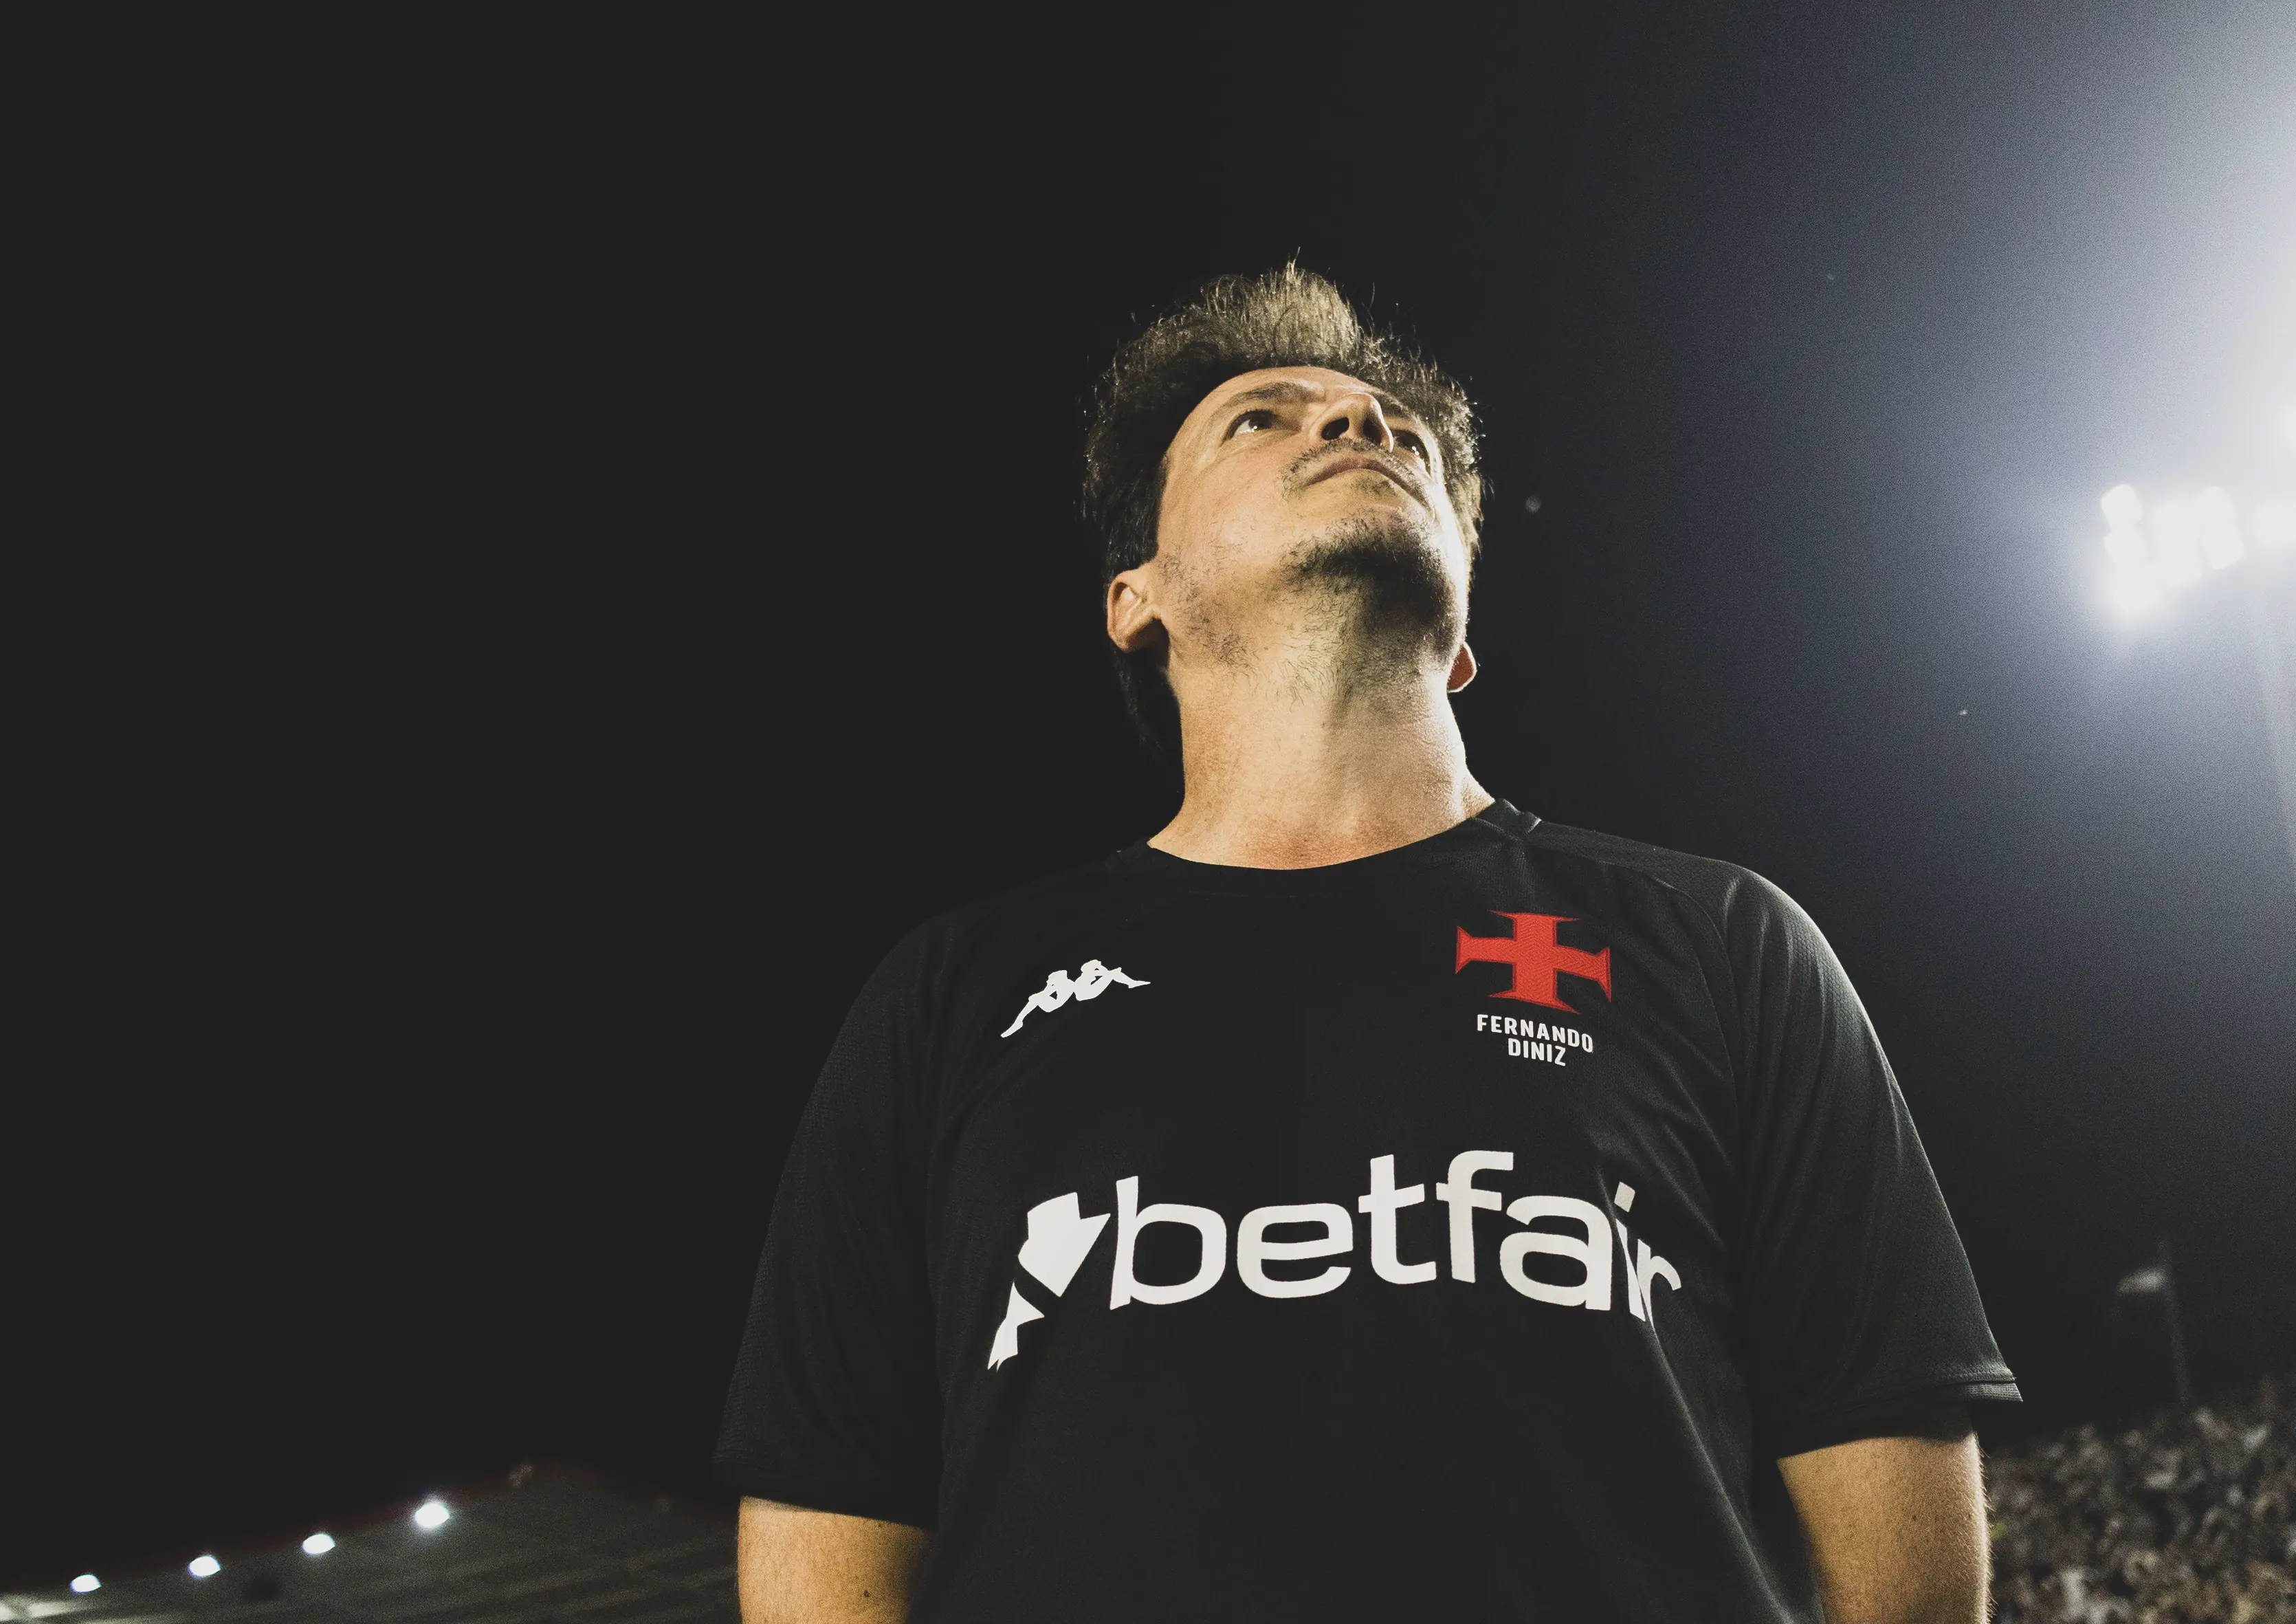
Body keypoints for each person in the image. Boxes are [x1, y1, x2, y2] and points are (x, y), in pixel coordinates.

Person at [715, 266, 2018, 1622]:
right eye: (1262, 419)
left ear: (1462, 639)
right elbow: (829, 1537)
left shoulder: (1724, 945)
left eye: (1400, 433)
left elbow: (1911, 1583)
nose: (1359, 426)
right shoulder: (951, 998)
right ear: (1135, 596)